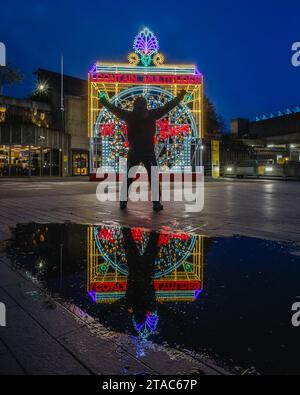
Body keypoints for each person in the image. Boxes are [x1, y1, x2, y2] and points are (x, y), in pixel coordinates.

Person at [100, 90, 186, 211]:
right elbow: (168, 106)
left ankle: (123, 201)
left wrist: (104, 101)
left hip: (134, 151)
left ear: (134, 105)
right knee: (154, 178)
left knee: (129, 178)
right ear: (145, 105)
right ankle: (156, 203)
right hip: (148, 151)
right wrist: (179, 97)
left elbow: (114, 109)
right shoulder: (151, 114)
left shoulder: (128, 115)